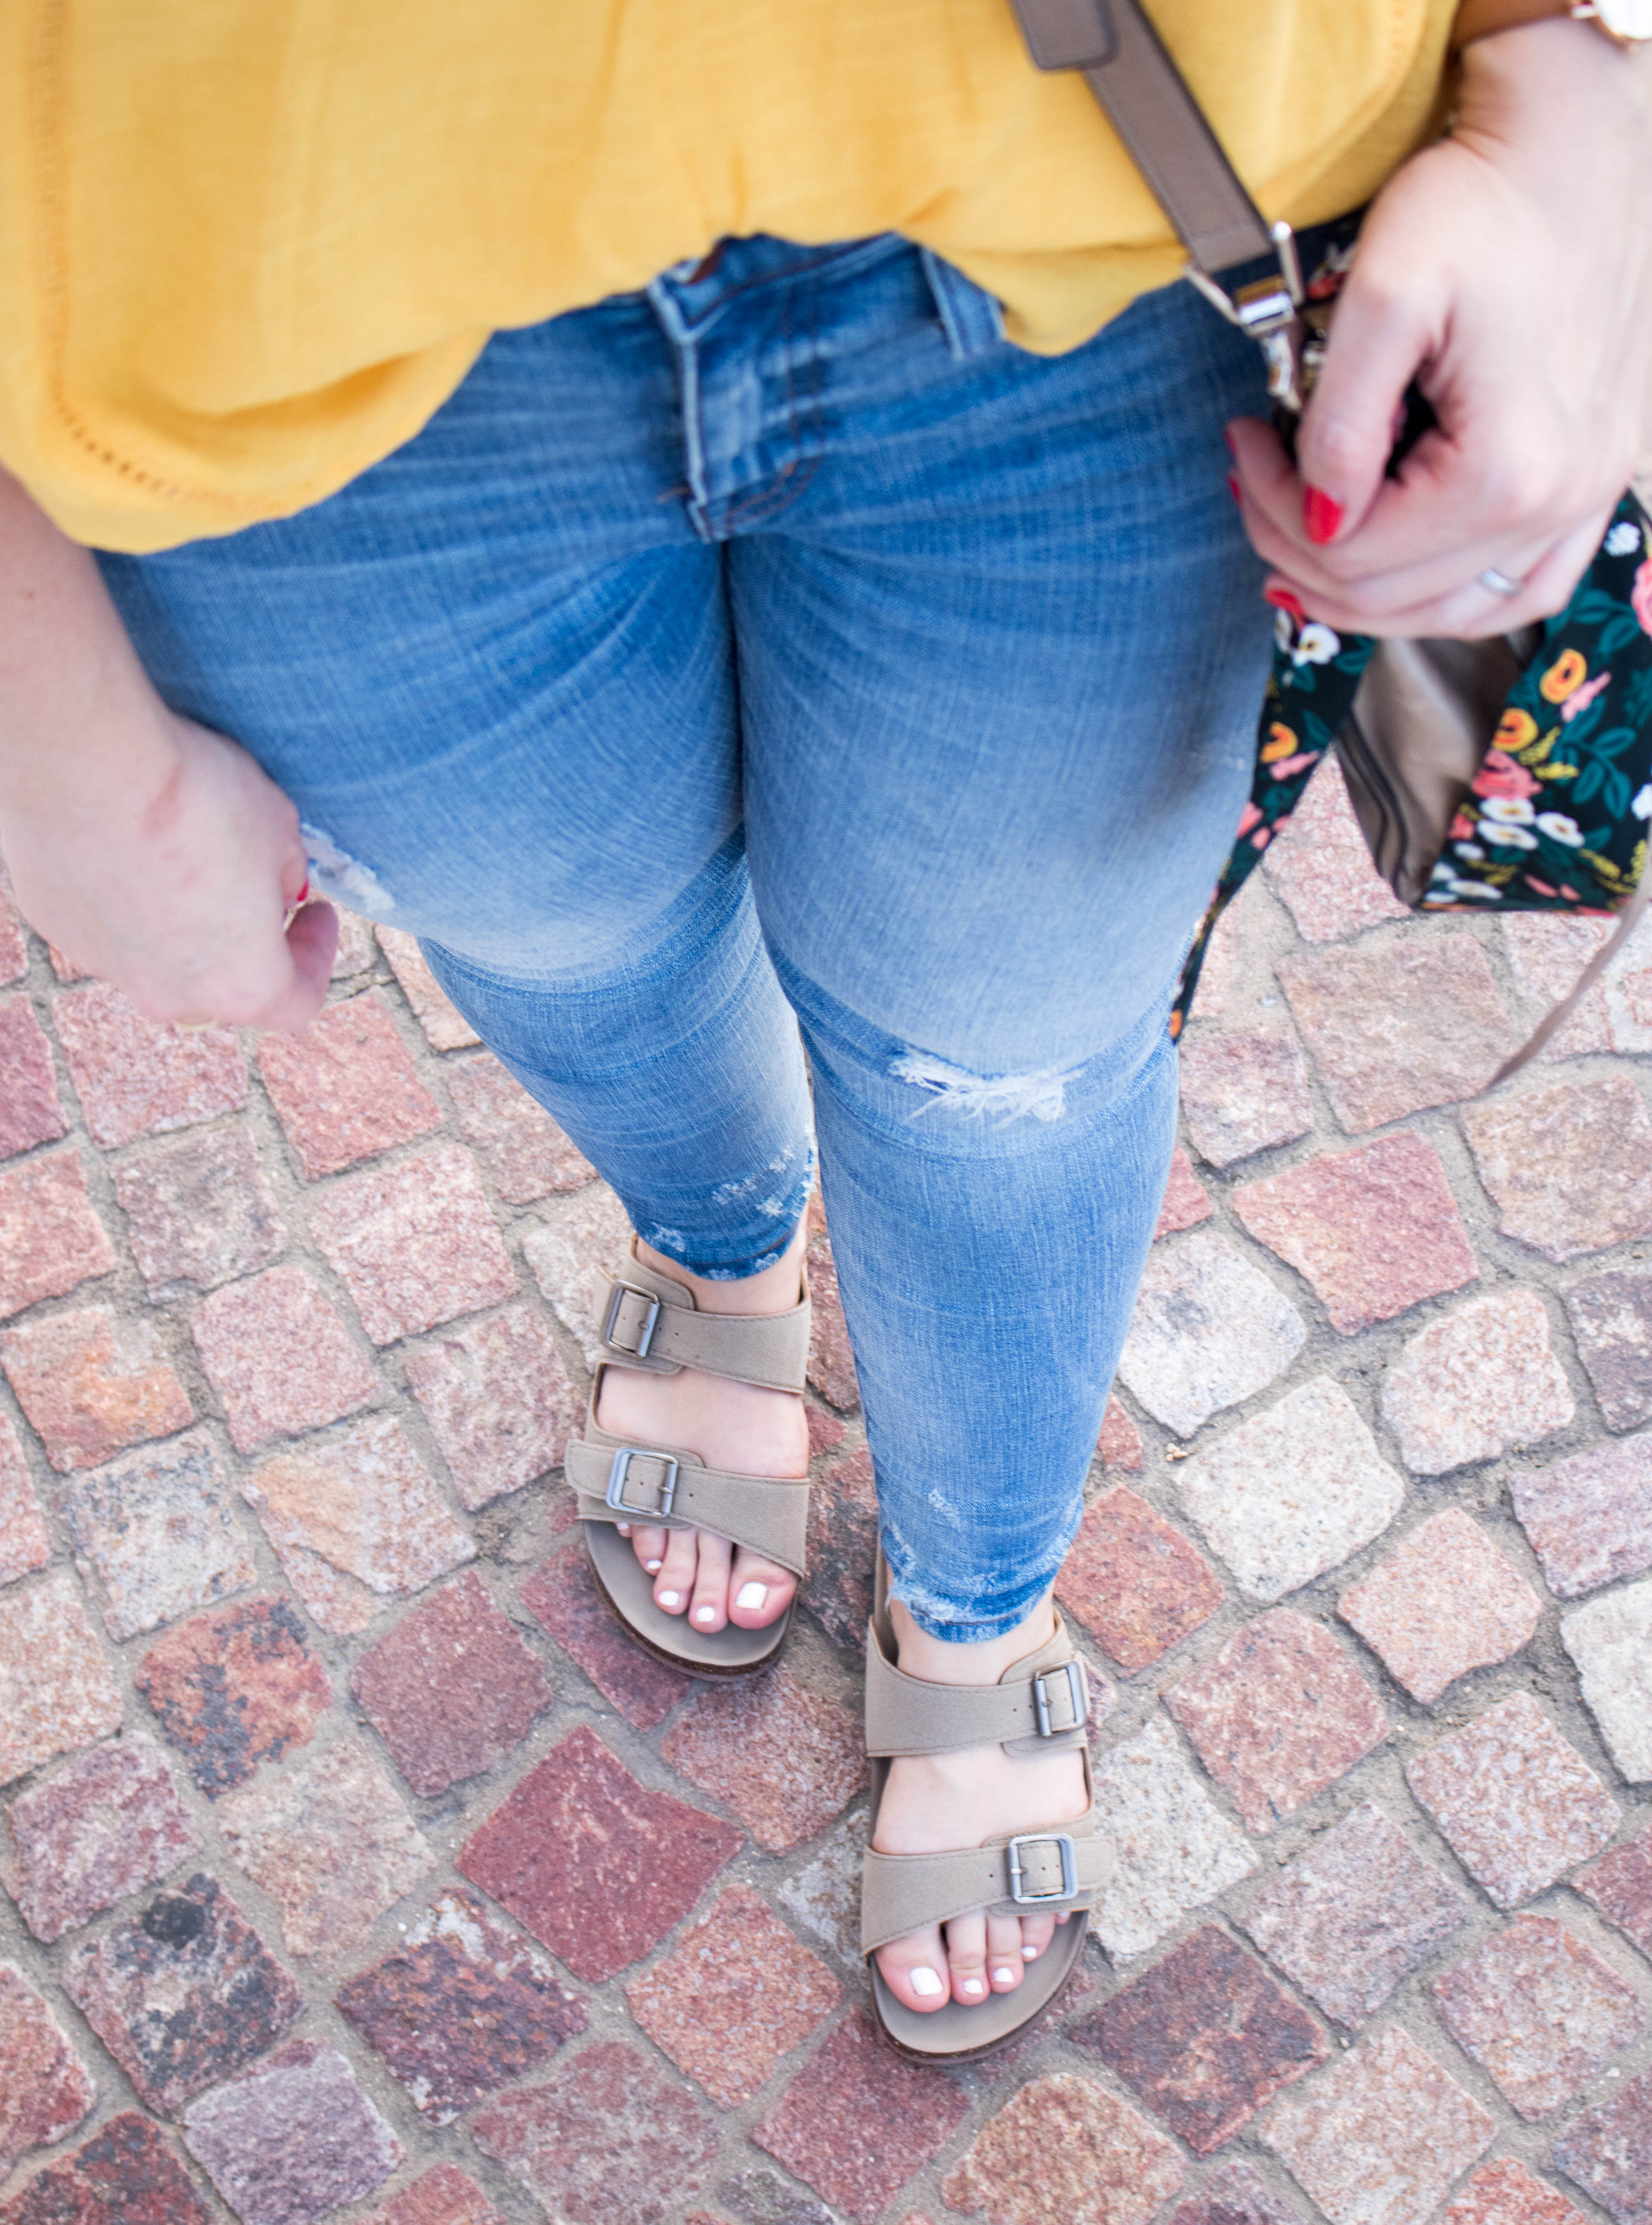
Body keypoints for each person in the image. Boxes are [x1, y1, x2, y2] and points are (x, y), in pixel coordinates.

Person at [1, 0, 1647, 2059]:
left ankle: (974, 1602)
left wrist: (1566, 69)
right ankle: (724, 1238)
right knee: (581, 933)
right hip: (268, 300)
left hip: (1108, 218)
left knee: (1004, 1068)